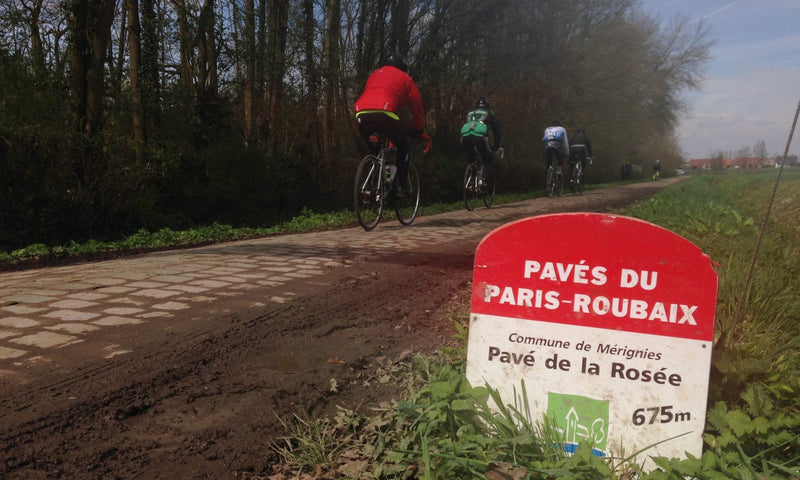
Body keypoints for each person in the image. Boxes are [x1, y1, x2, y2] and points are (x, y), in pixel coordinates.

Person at [354, 53, 425, 197]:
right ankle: (403, 187)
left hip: (361, 113)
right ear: (403, 67)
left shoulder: (374, 75)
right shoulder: (406, 78)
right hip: (384, 113)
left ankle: (382, 181)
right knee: (404, 145)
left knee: (377, 153)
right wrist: (419, 128)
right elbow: (416, 106)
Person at [460, 97, 502, 180]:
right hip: (480, 138)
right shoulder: (489, 112)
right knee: (488, 158)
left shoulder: (470, 113)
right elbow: (497, 130)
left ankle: (470, 178)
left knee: (471, 158)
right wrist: (496, 145)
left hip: (464, 138)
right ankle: (482, 179)